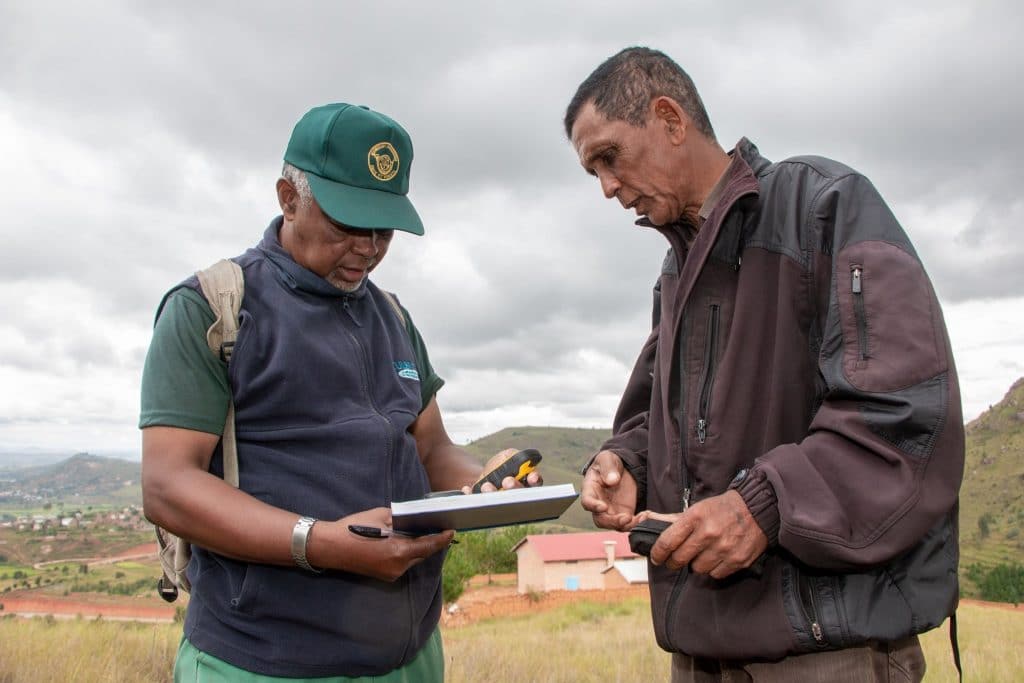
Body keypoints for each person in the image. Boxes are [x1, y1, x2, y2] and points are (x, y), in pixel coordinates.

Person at [566, 48, 964, 682]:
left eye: (609, 158)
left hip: (826, 655)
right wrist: (626, 465)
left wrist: (763, 505)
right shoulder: (675, 269)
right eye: (594, 172)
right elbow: (661, 418)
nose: (607, 188)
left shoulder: (824, 207)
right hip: (702, 653)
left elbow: (903, 419)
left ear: (669, 119)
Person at [140, 103, 539, 682]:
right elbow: (168, 487)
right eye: (348, 223)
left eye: (385, 229)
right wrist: (320, 543)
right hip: (262, 662)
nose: (369, 248)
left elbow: (431, 449)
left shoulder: (393, 316)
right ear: (288, 198)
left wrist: (487, 481)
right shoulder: (212, 309)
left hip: (411, 658)